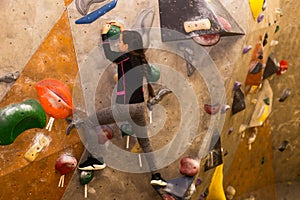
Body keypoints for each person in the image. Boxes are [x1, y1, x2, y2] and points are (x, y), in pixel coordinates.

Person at [67, 21, 167, 187]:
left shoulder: (125, 58)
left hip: (125, 108)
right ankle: (157, 175)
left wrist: (105, 35)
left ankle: (97, 159)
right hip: (138, 107)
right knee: (145, 141)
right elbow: (126, 45)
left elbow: (108, 54)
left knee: (91, 122)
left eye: (120, 42)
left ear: (126, 46)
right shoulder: (138, 58)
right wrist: (122, 30)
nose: (118, 43)